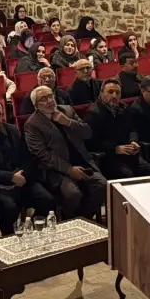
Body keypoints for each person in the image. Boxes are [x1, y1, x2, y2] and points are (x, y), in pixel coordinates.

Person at [0, 97, 55, 236]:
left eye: (0, 114)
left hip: (21, 179)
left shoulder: (12, 130)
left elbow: (26, 157)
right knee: (9, 208)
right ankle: (9, 238)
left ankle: (30, 232)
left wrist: (22, 175)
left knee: (47, 199)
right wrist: (10, 177)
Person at [24, 86, 105, 220]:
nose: (49, 100)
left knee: (103, 186)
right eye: (43, 99)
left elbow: (87, 133)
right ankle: (75, 220)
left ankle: (81, 219)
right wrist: (69, 170)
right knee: (72, 194)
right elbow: (43, 155)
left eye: (50, 96)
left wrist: (68, 122)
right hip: (58, 170)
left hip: (83, 162)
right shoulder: (32, 124)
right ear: (36, 105)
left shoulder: (67, 110)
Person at [84, 79, 150, 180]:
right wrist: (115, 149)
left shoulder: (124, 109)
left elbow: (133, 129)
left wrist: (133, 141)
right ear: (102, 93)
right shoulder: (93, 114)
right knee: (128, 176)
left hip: (128, 154)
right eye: (110, 92)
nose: (114, 95)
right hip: (107, 157)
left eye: (117, 92)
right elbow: (90, 142)